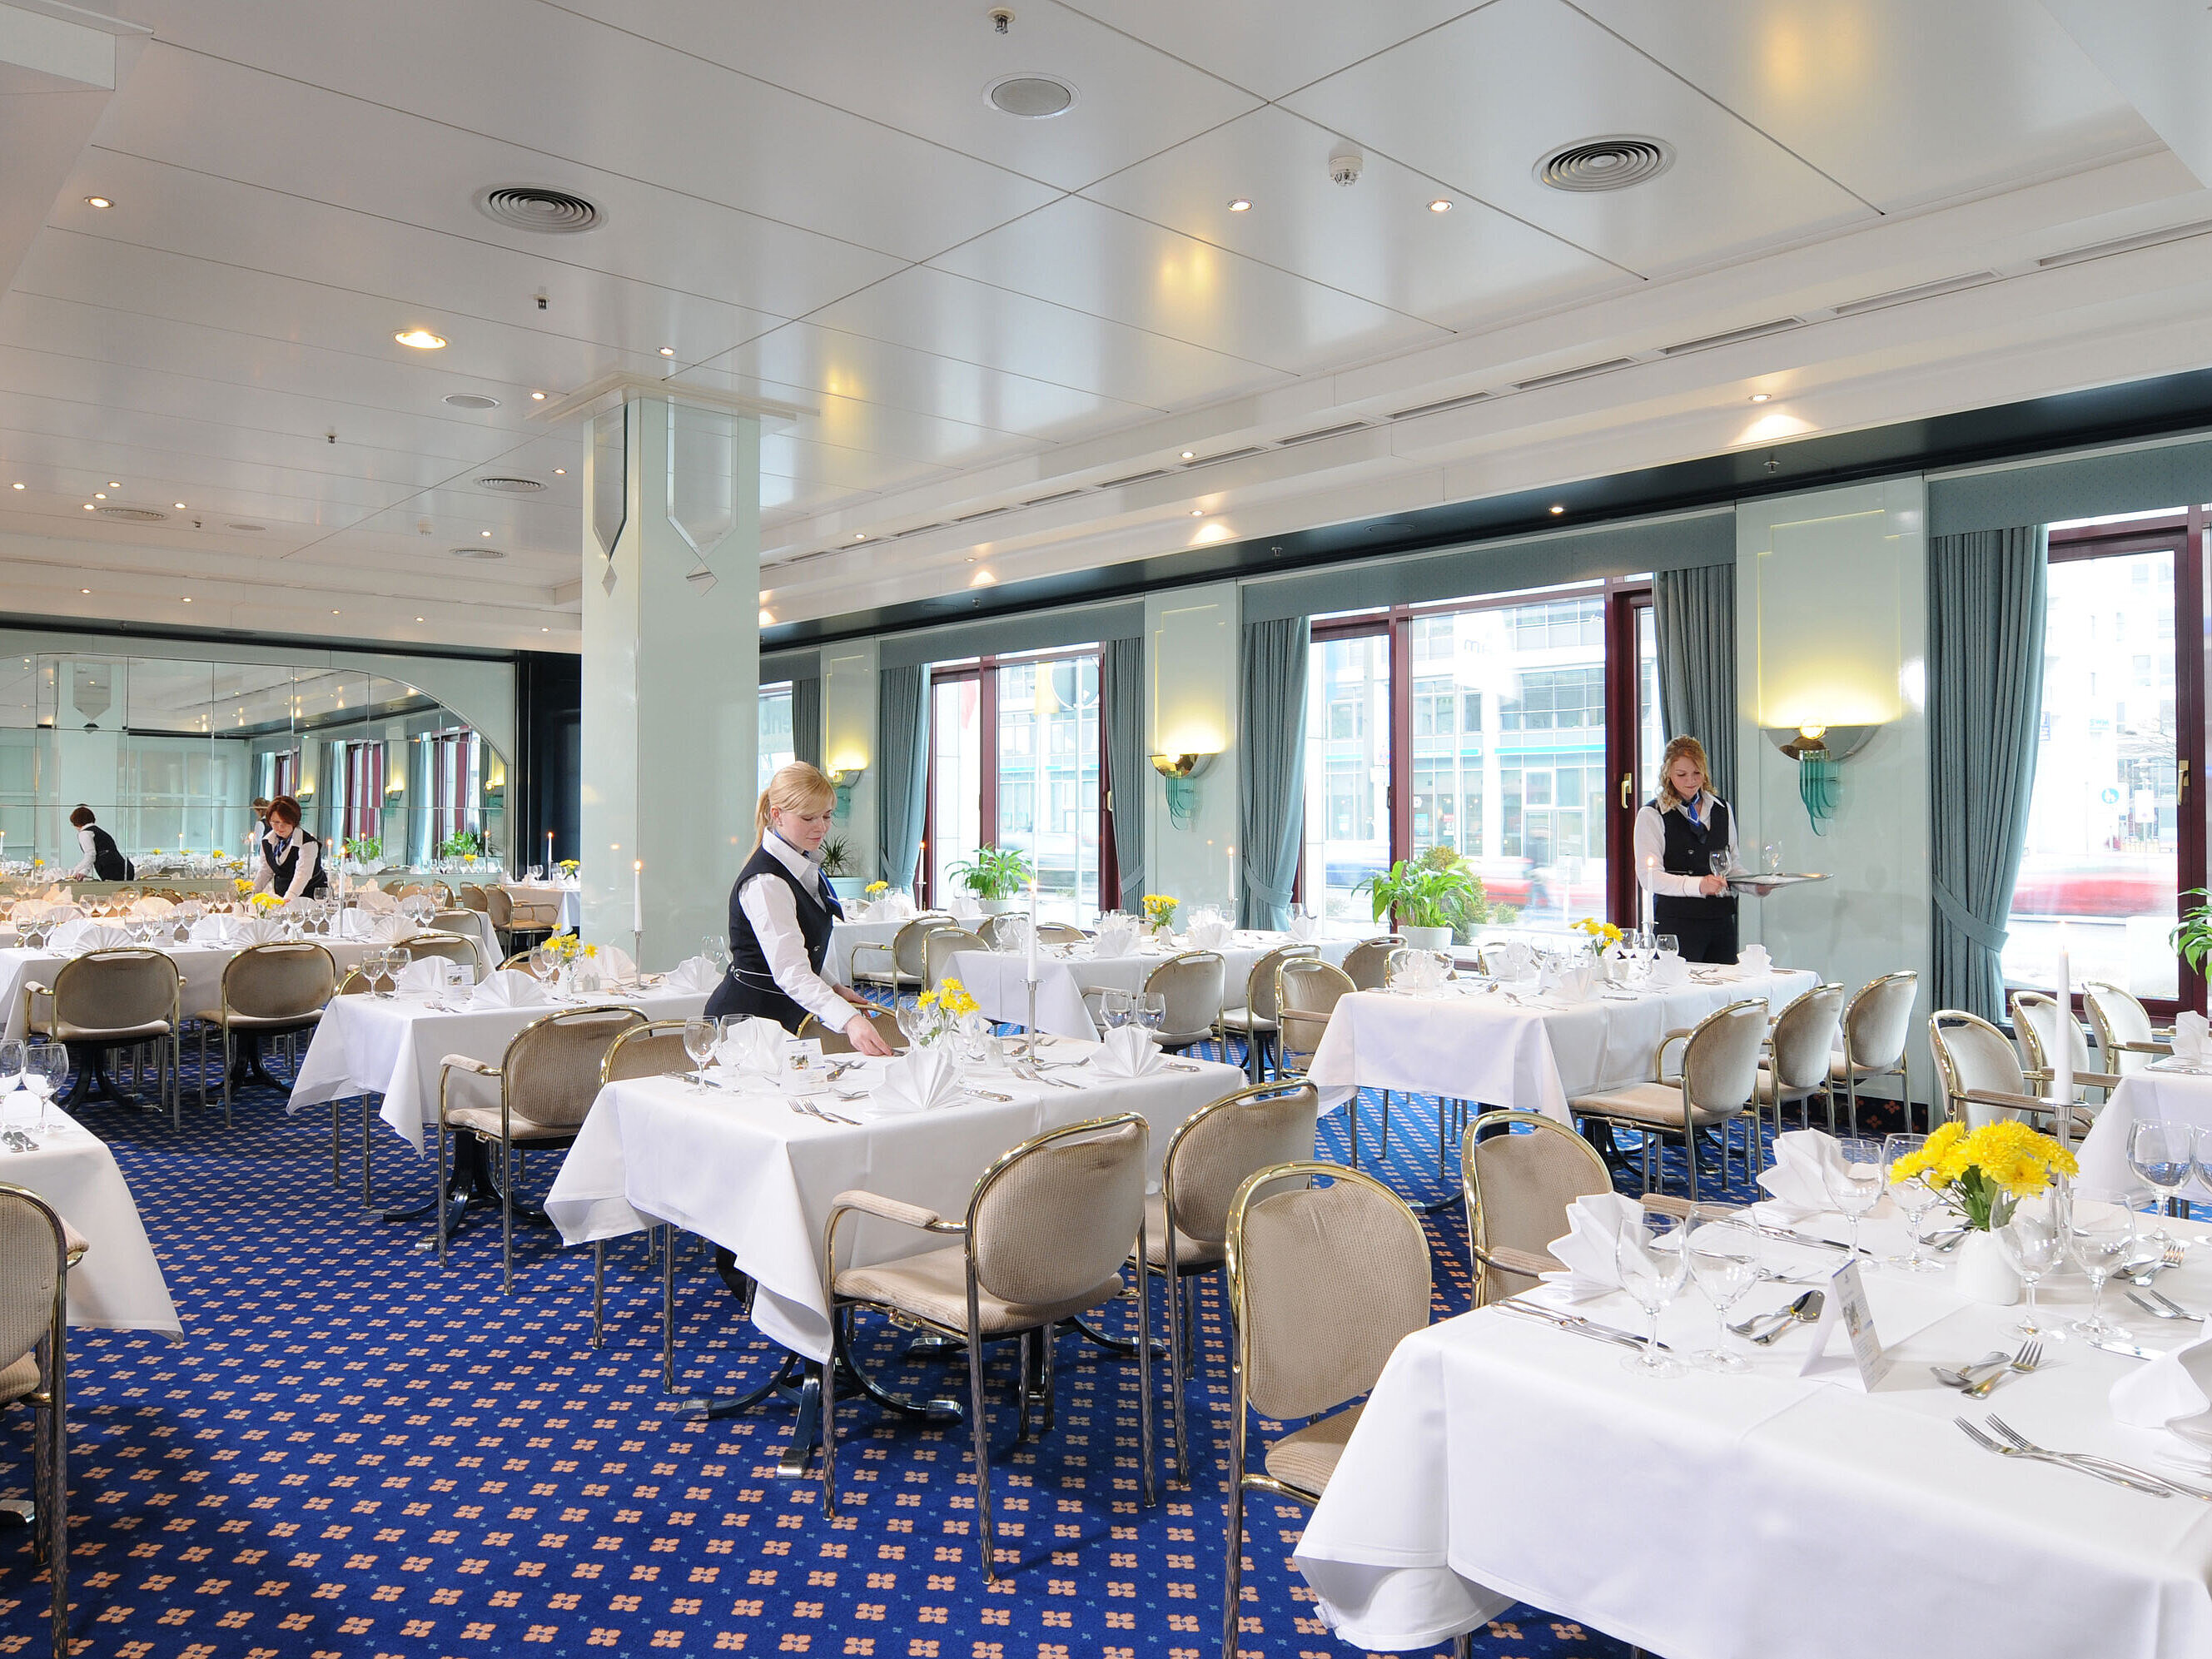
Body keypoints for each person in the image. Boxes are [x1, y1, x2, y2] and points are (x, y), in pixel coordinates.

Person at [704, 762, 894, 1056]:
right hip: (745, 1026)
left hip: (781, 1020)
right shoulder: (766, 881)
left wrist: (833, 986)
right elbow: (790, 971)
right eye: (808, 818)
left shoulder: (802, 863)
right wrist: (850, 1021)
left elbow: (804, 948)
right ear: (777, 815)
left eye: (827, 816)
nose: (821, 827)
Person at [1633, 736, 1740, 965]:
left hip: (1720, 920)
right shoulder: (1652, 814)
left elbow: (1732, 866)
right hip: (1677, 923)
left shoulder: (1722, 809)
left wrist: (1755, 885)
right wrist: (1698, 885)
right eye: (1681, 774)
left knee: (1726, 992)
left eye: (1697, 773)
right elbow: (1649, 877)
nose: (1691, 781)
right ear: (1668, 774)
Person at [251, 793, 329, 901]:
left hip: (311, 899)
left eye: (286, 822)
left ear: (294, 821)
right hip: (282, 897)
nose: (280, 827)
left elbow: (302, 875)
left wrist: (288, 899)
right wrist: (250, 893)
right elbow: (266, 871)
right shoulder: (267, 842)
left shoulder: (307, 843)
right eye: (276, 822)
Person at [66, 805, 133, 881]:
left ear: (76, 822)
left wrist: (72, 873)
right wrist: (84, 871)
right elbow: (94, 855)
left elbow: (91, 855)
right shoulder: (99, 832)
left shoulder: (85, 833)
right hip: (122, 867)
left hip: (110, 869)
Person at [244, 797, 272, 864]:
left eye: (255, 810)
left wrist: (247, 841)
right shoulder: (272, 821)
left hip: (265, 851)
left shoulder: (260, 823)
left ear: (259, 810)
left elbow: (257, 840)